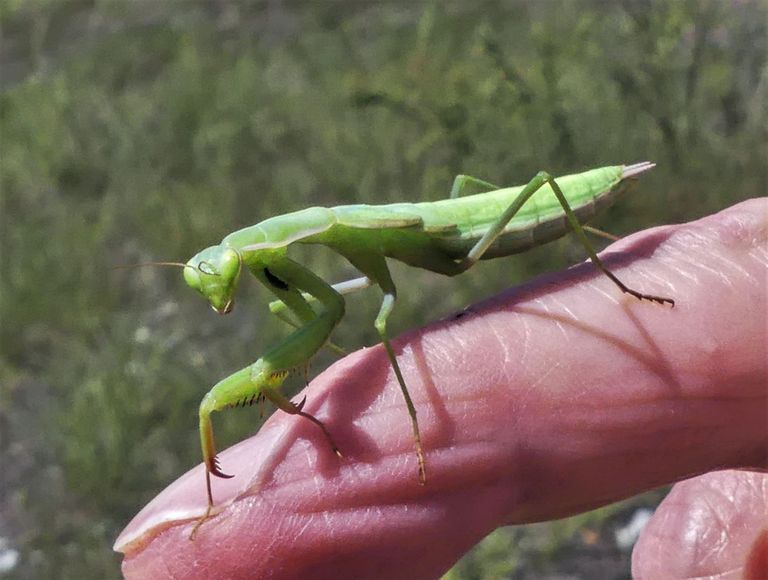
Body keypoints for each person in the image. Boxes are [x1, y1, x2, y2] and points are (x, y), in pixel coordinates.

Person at [115, 199, 767, 579]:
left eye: (230, 277)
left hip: (517, 210)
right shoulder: (305, 249)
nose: (227, 292)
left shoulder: (341, 233)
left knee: (382, 312)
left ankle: (621, 281)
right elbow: (320, 309)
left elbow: (353, 313)